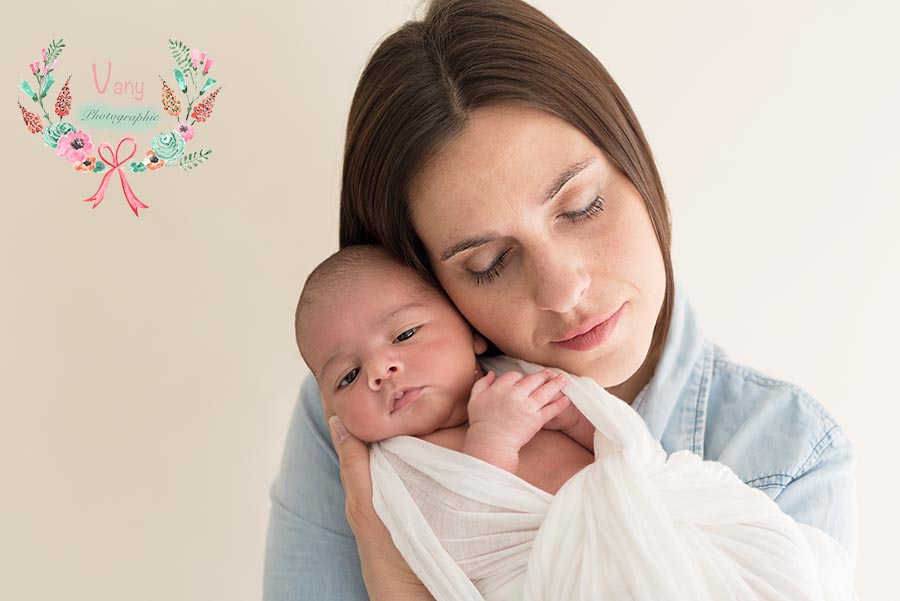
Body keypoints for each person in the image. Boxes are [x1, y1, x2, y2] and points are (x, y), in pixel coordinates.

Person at [264, 1, 857, 599]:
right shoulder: (370, 418)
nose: (564, 289)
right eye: (487, 264)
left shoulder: (787, 449)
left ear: (634, 160)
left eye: (581, 208)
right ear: (431, 285)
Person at [293, 244, 584, 474]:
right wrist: (494, 442)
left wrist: (575, 420)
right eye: (349, 376)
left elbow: (621, 447)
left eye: (405, 335)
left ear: (472, 329)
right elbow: (464, 536)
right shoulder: (393, 470)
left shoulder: (521, 379)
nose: (379, 371)